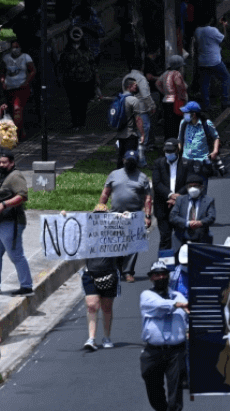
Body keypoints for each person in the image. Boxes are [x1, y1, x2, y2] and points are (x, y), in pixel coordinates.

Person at [0, 151, 33, 295]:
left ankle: (26, 286)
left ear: (12, 163)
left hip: (11, 222)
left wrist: (4, 205)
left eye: (4, 162)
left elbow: (22, 196)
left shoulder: (15, 176)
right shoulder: (1, 178)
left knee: (15, 254)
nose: (1, 165)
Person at [139, 260, 189, 411]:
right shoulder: (147, 296)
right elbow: (159, 306)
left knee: (176, 391)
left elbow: (187, 317)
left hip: (175, 352)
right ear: (151, 278)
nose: (161, 277)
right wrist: (176, 305)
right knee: (153, 388)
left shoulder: (178, 296)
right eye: (157, 275)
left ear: (168, 276)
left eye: (163, 274)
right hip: (153, 351)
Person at [99, 149, 153, 282]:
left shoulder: (142, 177)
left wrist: (147, 215)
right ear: (123, 160)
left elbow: (147, 198)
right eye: (128, 161)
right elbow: (106, 193)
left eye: (133, 162)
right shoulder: (114, 174)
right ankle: (117, 270)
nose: (130, 163)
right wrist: (100, 208)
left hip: (134, 215)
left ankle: (128, 271)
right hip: (115, 215)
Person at [81, 204, 120, 351]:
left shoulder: (115, 232)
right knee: (92, 305)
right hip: (90, 274)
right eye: (96, 215)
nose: (99, 218)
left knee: (106, 307)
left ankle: (107, 336)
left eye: (103, 215)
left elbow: (128, 234)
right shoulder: (86, 232)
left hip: (109, 273)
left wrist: (126, 219)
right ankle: (91, 338)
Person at [152, 140, 189, 252]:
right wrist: (170, 195)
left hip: (180, 207)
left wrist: (178, 196)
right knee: (165, 238)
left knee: (183, 238)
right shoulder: (158, 163)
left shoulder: (186, 163)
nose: (169, 154)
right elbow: (156, 183)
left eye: (171, 151)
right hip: (163, 207)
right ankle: (164, 265)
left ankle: (182, 264)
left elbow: (190, 183)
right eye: (167, 151)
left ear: (177, 150)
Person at [194, 17, 230, 110]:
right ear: (210, 20)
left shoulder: (197, 30)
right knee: (226, 77)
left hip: (202, 60)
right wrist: (224, 27)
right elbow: (223, 39)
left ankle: (206, 104)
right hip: (214, 60)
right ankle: (225, 100)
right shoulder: (213, 30)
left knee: (205, 83)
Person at [177, 101, 221, 185]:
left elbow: (216, 137)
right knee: (188, 187)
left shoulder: (206, 124)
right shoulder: (183, 123)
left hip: (202, 161)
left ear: (193, 114)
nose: (184, 114)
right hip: (187, 160)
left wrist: (215, 151)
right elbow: (180, 139)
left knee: (202, 186)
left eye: (186, 113)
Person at [0, 40, 35, 140]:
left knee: (17, 109)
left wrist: (26, 81)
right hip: (9, 88)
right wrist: (3, 81)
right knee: (11, 110)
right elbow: (2, 71)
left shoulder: (26, 57)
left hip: (21, 88)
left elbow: (32, 70)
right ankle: (19, 131)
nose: (15, 49)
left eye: (17, 47)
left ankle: (16, 135)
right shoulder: (6, 58)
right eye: (13, 47)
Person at [168, 174, 216, 246]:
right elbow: (172, 216)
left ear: (201, 187)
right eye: (190, 186)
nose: (192, 188)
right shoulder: (180, 200)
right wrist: (187, 223)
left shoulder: (208, 200)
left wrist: (200, 223)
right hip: (182, 237)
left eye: (195, 186)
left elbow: (212, 217)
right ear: (187, 188)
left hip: (201, 237)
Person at [115, 77, 146, 169]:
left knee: (121, 156)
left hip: (120, 133)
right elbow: (138, 119)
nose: (136, 87)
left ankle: (119, 173)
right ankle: (130, 173)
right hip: (130, 133)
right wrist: (142, 134)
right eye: (135, 85)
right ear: (129, 86)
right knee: (131, 156)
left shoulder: (118, 99)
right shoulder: (133, 100)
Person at [155, 55, 188, 140]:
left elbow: (157, 83)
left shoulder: (165, 74)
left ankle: (168, 140)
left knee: (168, 122)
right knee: (177, 121)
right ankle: (177, 140)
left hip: (166, 100)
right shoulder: (177, 74)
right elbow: (180, 86)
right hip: (176, 101)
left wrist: (165, 92)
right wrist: (183, 98)